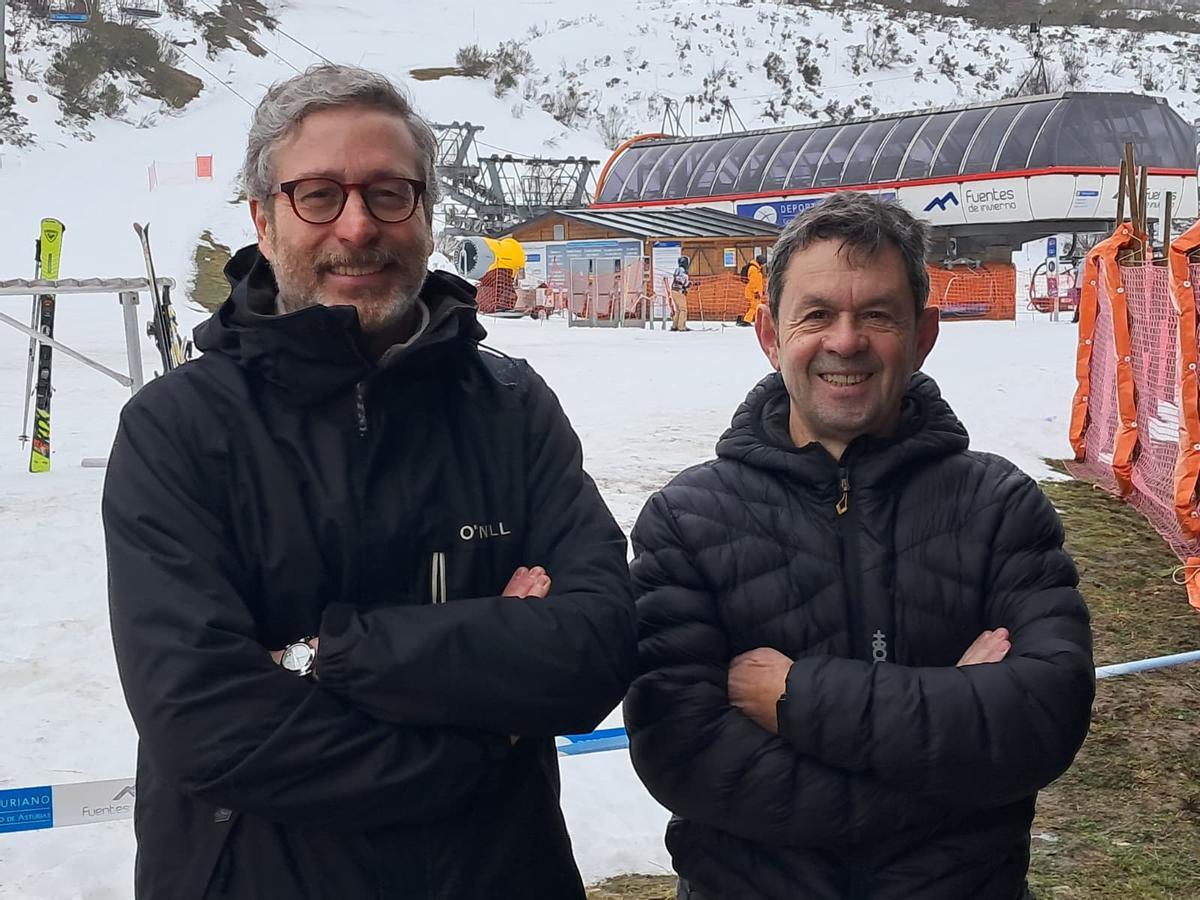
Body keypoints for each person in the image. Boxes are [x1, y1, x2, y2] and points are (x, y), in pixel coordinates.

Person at [103, 63, 636, 900]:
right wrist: (484, 724)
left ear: (424, 214)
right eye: (319, 194)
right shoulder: (177, 430)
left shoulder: (510, 408)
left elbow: (596, 648)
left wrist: (324, 656)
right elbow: (207, 725)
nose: (357, 226)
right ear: (263, 217)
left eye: (390, 194)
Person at [623, 192, 1094, 900]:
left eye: (877, 314)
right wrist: (953, 740)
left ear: (924, 334)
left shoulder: (1000, 507)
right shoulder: (686, 521)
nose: (845, 341)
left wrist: (796, 697)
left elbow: (1040, 719)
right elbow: (687, 759)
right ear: (770, 335)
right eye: (816, 315)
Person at [738, 253, 767, 326]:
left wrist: (761, 291)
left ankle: (745, 319)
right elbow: (754, 282)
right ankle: (746, 320)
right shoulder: (753, 269)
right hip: (753, 292)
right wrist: (756, 291)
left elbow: (758, 282)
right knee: (754, 307)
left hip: (755, 292)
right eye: (763, 263)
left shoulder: (756, 269)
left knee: (757, 308)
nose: (763, 265)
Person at [670, 254, 691, 331]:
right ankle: (681, 326)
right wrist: (689, 284)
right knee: (683, 309)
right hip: (679, 291)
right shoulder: (684, 272)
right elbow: (684, 283)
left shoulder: (677, 270)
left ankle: (675, 325)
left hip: (673, 291)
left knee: (678, 309)